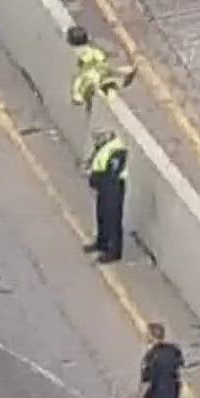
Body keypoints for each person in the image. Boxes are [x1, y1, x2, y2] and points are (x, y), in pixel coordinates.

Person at [67, 25, 137, 114]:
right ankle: (126, 72)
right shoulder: (92, 47)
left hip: (94, 70)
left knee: (82, 81)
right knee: (110, 73)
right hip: (101, 66)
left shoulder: (81, 52)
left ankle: (79, 96)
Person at [84, 129, 128, 264]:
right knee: (102, 215)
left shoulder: (117, 149)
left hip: (113, 187)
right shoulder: (104, 148)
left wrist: (98, 179)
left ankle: (114, 251)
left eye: (100, 136)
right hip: (104, 187)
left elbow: (112, 173)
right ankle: (101, 242)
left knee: (112, 218)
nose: (98, 139)